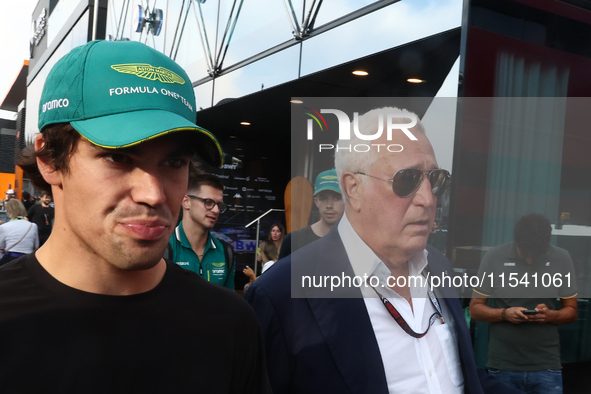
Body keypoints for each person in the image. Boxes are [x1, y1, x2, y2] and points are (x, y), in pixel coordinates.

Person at [0, 40, 270, 393]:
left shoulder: (231, 325)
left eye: (175, 163)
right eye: (118, 157)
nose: (154, 194)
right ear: (50, 160)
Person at [245, 107, 521, 394]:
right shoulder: (280, 296)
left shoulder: (439, 267)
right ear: (353, 188)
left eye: (436, 180)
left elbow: (460, 377)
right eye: (407, 180)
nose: (428, 199)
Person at [469, 213, 577, 394]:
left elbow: (572, 311)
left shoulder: (562, 258)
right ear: (516, 242)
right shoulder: (494, 257)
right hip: (503, 366)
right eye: (524, 253)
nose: (530, 260)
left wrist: (552, 315)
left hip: (547, 367)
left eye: (535, 255)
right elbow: (475, 309)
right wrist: (505, 314)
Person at [168, 173, 235, 289]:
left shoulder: (225, 252)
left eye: (219, 205)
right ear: (186, 202)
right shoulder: (164, 247)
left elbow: (229, 304)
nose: (216, 210)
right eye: (208, 202)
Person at [278, 168, 344, 259]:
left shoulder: (358, 242)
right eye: (323, 198)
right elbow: (282, 272)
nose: (329, 205)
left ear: (347, 201)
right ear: (316, 201)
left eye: (336, 198)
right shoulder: (293, 241)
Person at [0, 199, 39, 266]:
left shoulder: (4, 227)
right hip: (27, 260)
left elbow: (1, 247)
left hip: (10, 259)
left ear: (9, 211)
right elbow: (36, 246)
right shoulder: (33, 226)